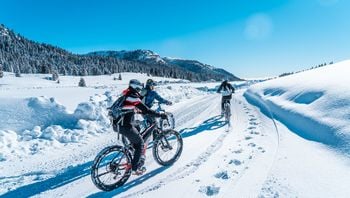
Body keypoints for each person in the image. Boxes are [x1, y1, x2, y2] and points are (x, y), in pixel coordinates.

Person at [117, 79, 167, 175]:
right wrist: (159, 115)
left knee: (138, 128)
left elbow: (127, 107)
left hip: (119, 123)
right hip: (125, 125)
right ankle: (135, 169)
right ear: (136, 88)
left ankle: (132, 147)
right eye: (139, 88)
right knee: (140, 144)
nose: (140, 91)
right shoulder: (134, 97)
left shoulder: (126, 94)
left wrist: (136, 110)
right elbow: (147, 110)